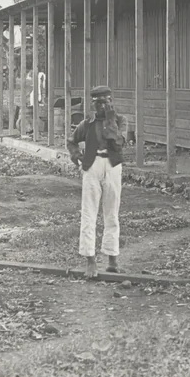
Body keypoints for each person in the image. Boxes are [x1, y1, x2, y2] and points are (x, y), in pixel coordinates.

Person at [67, 85, 128, 278]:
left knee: (112, 213)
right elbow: (71, 140)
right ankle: (90, 261)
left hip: (112, 165)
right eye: (97, 103)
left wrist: (110, 120)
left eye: (105, 102)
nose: (102, 106)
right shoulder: (87, 123)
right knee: (89, 213)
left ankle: (112, 259)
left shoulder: (120, 121)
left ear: (111, 101)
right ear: (93, 104)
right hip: (92, 165)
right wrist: (77, 156)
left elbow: (118, 142)